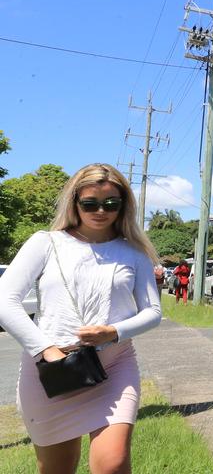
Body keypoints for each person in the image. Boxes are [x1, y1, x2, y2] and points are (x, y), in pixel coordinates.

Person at [0, 163, 162, 474]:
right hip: (51, 371)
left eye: (111, 203)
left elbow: (153, 312)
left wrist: (113, 331)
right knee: (56, 469)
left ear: (124, 205)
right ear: (74, 202)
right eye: (90, 203)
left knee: (112, 465)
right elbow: (5, 300)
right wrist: (45, 349)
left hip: (113, 366)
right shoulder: (45, 243)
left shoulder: (135, 252)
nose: (101, 210)